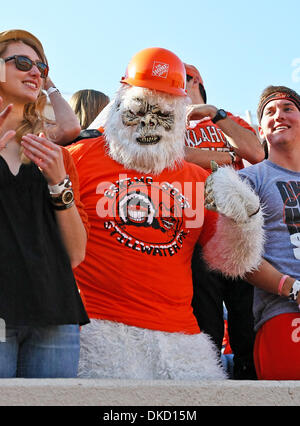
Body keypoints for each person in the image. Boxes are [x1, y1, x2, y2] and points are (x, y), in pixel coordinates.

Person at [67, 47, 264, 380]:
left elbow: (232, 263)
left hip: (182, 340)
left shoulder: (198, 177)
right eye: (139, 110)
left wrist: (245, 222)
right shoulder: (80, 158)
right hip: (97, 329)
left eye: (162, 114)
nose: (148, 122)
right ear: (118, 107)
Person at [0, 29, 89, 378]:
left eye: (42, 67)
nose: (36, 72)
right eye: (22, 62)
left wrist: (58, 182)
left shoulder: (55, 156)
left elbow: (76, 253)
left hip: (55, 313)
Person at [184, 63, 265, 379]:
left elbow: (256, 152)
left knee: (247, 328)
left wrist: (215, 114)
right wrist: (229, 157)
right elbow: (180, 155)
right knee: (206, 331)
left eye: (183, 78)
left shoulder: (225, 119)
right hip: (194, 234)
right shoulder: (168, 120)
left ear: (197, 81)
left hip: (238, 231)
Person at [239, 85, 300, 380]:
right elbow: (239, 256)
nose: (279, 116)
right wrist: (293, 288)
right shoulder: (248, 180)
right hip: (284, 314)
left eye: (288, 108)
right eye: (269, 112)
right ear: (260, 131)